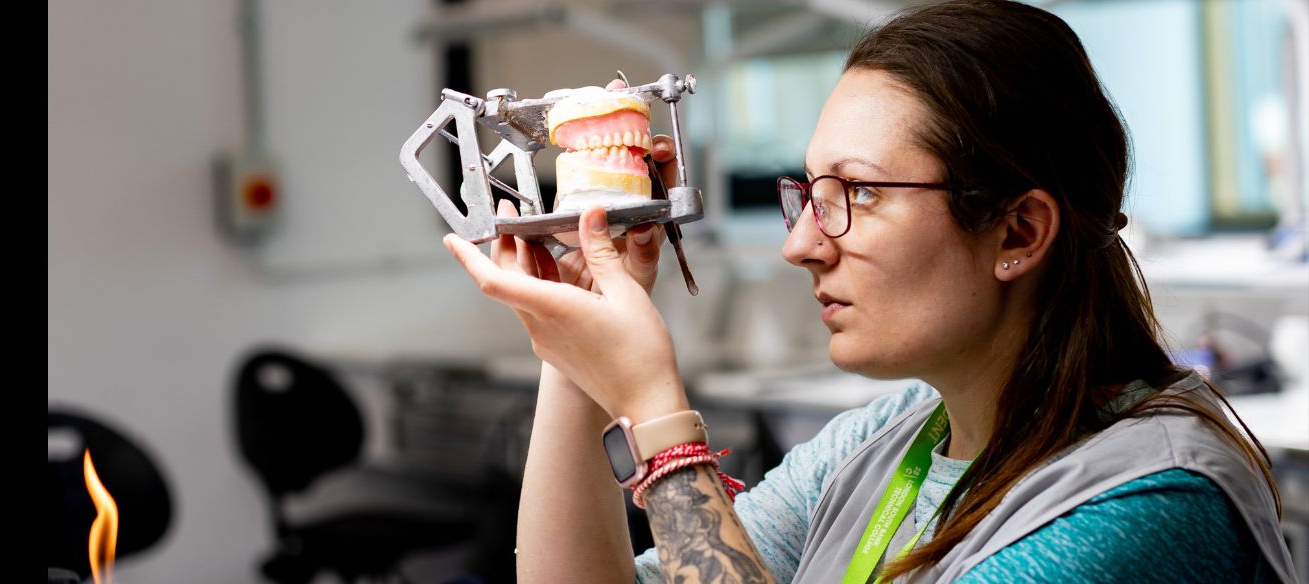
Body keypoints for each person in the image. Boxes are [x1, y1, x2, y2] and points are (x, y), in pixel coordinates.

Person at [441, 0, 1298, 581]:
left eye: (859, 194)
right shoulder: (888, 440)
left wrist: (659, 418)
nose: (803, 245)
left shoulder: (1154, 504)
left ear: (1019, 232)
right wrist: (578, 331)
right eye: (808, 193)